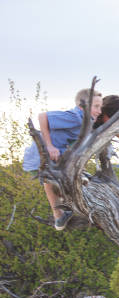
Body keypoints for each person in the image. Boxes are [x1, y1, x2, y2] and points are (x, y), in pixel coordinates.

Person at [22, 88, 103, 230]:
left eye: (100, 107)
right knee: (54, 180)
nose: (99, 110)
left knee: (55, 182)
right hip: (39, 160)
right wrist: (49, 145)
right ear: (82, 106)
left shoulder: (85, 122)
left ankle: (60, 215)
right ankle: (59, 213)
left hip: (44, 161)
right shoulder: (76, 117)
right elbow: (42, 116)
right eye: (96, 106)